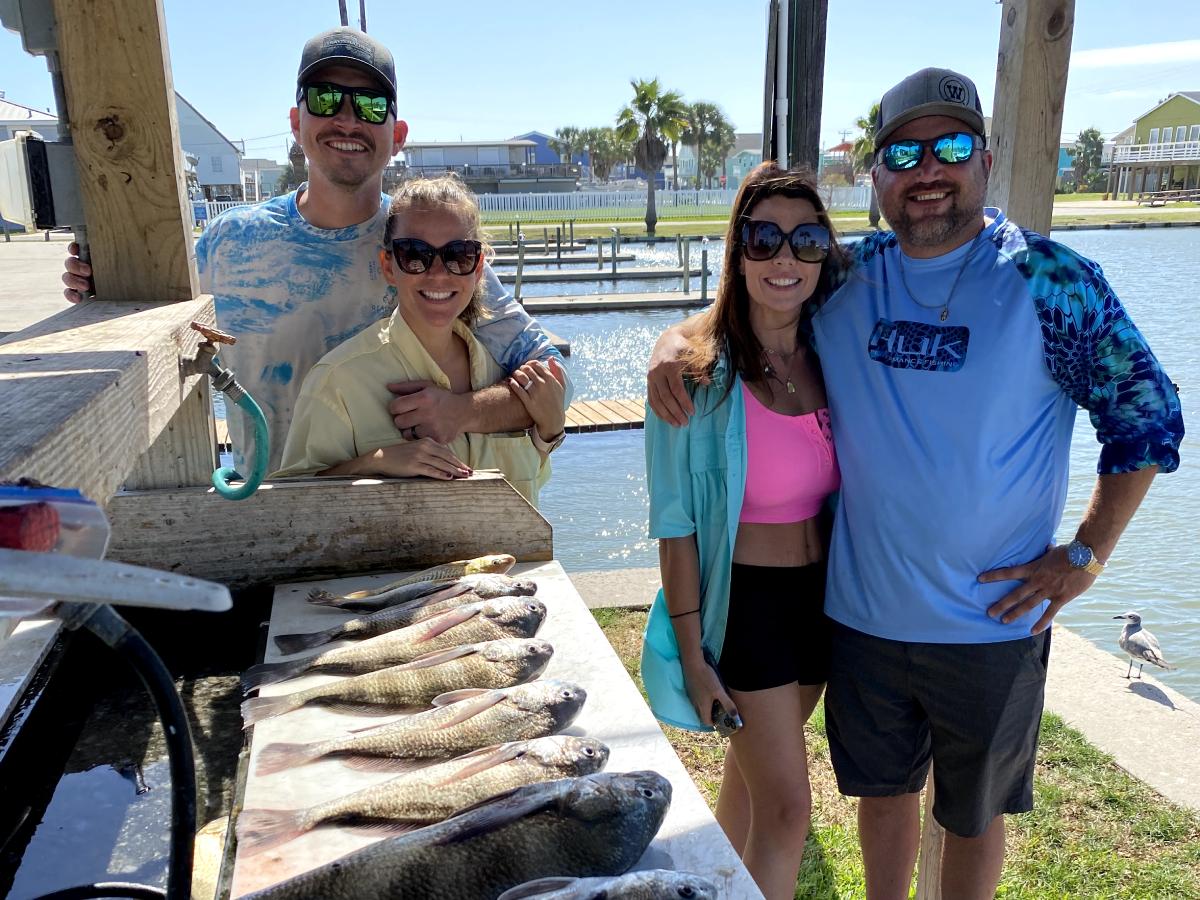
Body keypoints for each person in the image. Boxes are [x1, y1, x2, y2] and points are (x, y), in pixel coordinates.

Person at [647, 68, 1183, 900]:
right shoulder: (849, 275)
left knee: (972, 819)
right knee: (883, 800)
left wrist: (1085, 555)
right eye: (905, 151)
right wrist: (670, 344)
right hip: (860, 618)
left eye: (952, 146)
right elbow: (752, 295)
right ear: (877, 174)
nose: (928, 169)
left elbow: (1147, 416)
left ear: (987, 158)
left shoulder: (1050, 280)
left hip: (992, 625)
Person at [61, 26, 568, 472]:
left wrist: (463, 410)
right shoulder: (227, 243)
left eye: (369, 105)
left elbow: (554, 377)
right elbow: (153, 324)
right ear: (295, 120)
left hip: (401, 532)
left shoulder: (428, 248)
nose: (347, 120)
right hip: (267, 517)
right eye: (326, 99)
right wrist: (107, 285)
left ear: (397, 134)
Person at [643, 162, 844, 899]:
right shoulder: (695, 377)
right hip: (746, 609)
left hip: (821, 604)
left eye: (805, 239)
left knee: (749, 786)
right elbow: (675, 527)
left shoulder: (835, 354)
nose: (784, 258)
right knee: (789, 809)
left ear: (826, 252)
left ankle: (713, 889)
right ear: (737, 252)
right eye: (764, 239)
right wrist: (694, 655)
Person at [272, 174, 565, 506]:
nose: (438, 273)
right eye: (415, 254)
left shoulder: (506, 374)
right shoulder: (337, 382)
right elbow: (289, 506)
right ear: (388, 265)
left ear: (478, 266)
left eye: (458, 255)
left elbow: (530, 487)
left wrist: (549, 432)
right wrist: (374, 464)